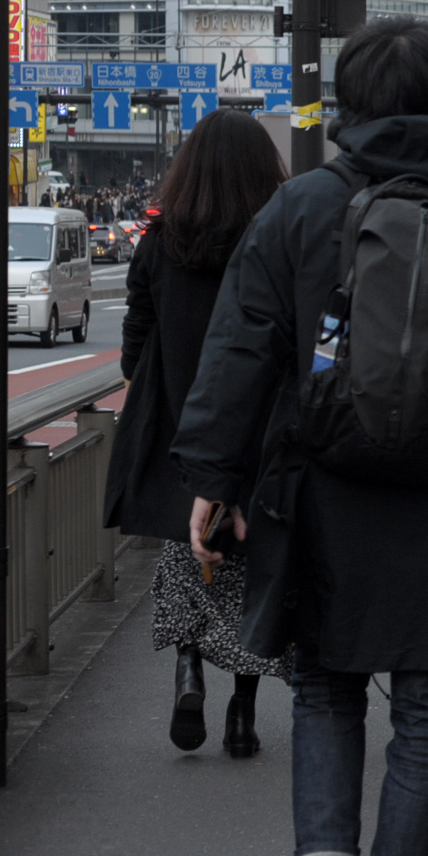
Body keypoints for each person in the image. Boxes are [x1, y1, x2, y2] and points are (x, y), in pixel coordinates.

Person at [170, 17, 428, 856]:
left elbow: (242, 345)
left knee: (326, 685)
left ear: (350, 99)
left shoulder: (305, 203)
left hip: (322, 485)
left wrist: (213, 479)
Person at [103, 108, 292, 757]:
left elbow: (136, 340)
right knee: (248, 560)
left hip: (178, 426)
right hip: (257, 422)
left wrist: (154, 385)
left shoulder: (160, 241)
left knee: (187, 551)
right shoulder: (272, 239)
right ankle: (243, 712)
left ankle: (188, 668)